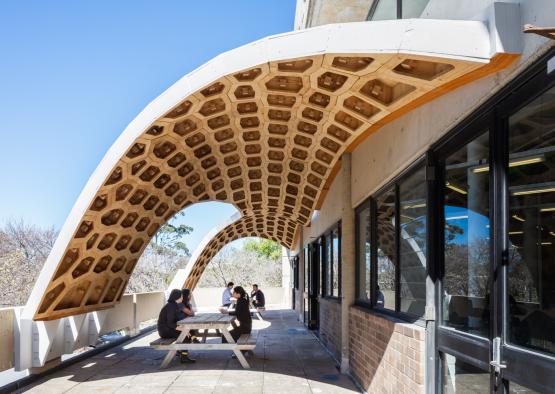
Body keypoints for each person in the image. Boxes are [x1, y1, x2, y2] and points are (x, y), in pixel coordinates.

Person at [157, 289, 195, 363]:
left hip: (168, 329)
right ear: (176, 297)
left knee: (188, 332)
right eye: (181, 297)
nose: (182, 298)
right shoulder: (171, 306)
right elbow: (170, 323)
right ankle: (184, 357)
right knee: (185, 335)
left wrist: (183, 328)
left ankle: (181, 352)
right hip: (165, 331)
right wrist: (183, 330)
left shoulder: (173, 305)